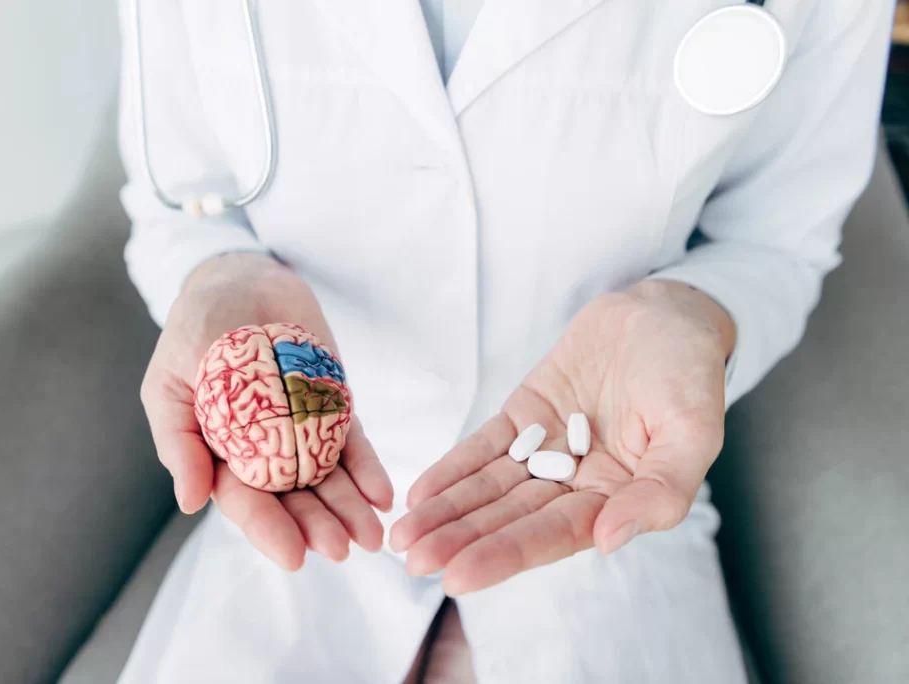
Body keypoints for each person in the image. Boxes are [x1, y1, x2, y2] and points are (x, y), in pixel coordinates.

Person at [116, 1, 894, 682]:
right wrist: (215, 277)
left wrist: (696, 313)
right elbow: (181, 207)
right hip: (305, 511)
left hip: (597, 497)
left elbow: (778, 239)